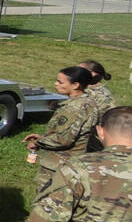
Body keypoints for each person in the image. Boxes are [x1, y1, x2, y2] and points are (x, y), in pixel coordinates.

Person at [25, 66, 101, 194]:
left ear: (76, 85)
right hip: (74, 162)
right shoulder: (88, 102)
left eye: (60, 82)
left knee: (46, 200)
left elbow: (63, 140)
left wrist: (38, 143)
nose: (56, 84)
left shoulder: (73, 109)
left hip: (58, 165)